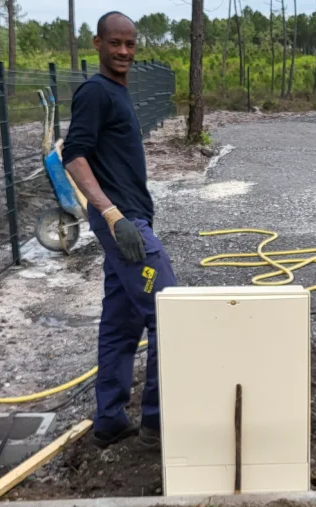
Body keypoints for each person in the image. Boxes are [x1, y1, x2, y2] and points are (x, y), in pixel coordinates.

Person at [63, 11, 175, 450]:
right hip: (123, 225)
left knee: (119, 321)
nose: (124, 51)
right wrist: (112, 215)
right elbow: (74, 155)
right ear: (97, 44)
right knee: (169, 313)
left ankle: (109, 419)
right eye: (115, 43)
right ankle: (157, 421)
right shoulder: (95, 92)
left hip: (130, 219)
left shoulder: (119, 91)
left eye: (130, 44)